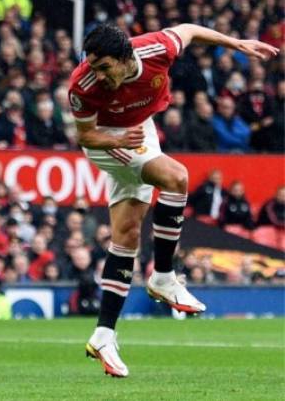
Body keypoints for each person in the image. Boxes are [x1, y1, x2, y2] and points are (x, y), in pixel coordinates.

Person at [68, 23, 278, 377]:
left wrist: (235, 43)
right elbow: (85, 135)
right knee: (176, 176)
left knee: (127, 234)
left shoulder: (157, 49)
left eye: (105, 68)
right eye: (93, 67)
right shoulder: (83, 85)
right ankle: (163, 275)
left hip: (140, 128)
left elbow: (190, 30)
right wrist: (117, 141)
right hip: (107, 142)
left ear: (124, 58)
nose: (99, 75)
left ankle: (103, 334)